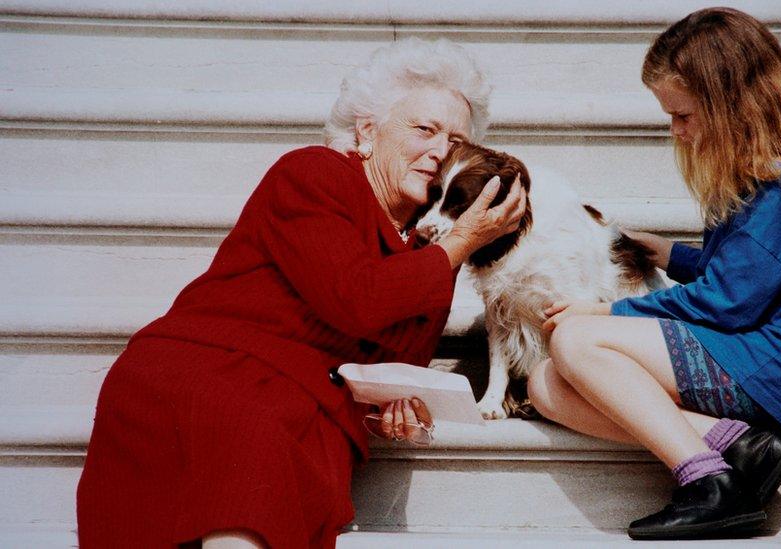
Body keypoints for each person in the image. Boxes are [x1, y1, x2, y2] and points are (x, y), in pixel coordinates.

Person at [76, 38, 526, 549]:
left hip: (302, 406)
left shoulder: (427, 247)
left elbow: (392, 363)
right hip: (213, 372)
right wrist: (466, 239)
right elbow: (355, 299)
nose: (441, 150)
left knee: (280, 446)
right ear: (368, 131)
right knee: (255, 445)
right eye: (424, 128)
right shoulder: (316, 173)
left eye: (457, 141)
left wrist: (397, 407)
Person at [527, 7, 781, 540]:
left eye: (684, 115)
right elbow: (749, 276)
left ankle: (708, 484)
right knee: (546, 385)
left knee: (577, 340)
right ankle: (738, 446)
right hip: (756, 357)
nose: (676, 132)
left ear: (735, 106)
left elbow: (727, 303)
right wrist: (671, 255)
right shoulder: (763, 187)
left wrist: (607, 310)